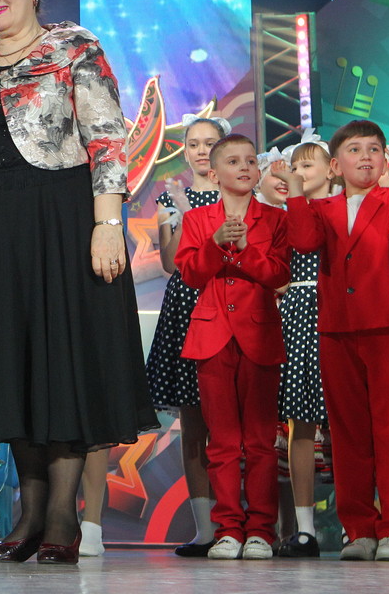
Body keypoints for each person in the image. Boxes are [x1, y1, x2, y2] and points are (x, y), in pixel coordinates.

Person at [0, 0, 156, 566]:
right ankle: (27, 518)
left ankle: (61, 517)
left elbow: (107, 141)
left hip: (62, 220)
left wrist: (107, 224)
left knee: (63, 363)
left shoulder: (74, 48)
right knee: (13, 365)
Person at [273, 121, 389, 562]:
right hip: (336, 329)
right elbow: (303, 242)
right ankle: (360, 530)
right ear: (335, 165)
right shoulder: (323, 208)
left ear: (385, 159)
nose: (366, 156)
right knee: (348, 435)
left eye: (374, 149)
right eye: (355, 149)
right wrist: (296, 191)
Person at [175, 134, 290, 560]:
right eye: (233, 161)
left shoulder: (275, 219)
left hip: (259, 335)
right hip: (212, 337)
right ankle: (228, 529)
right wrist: (216, 242)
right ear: (214, 172)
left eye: (250, 161)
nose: (244, 168)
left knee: (260, 440)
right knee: (221, 442)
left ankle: (260, 529)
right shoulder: (198, 219)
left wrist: (242, 251)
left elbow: (278, 275)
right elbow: (190, 273)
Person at [144, 115, 227, 556]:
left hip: (230, 303)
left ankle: (245, 525)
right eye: (193, 143)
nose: (200, 151)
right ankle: (205, 529)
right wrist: (182, 209)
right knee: (193, 424)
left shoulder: (242, 197)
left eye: (209, 142)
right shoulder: (171, 198)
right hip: (186, 310)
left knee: (235, 424)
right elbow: (172, 262)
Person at [271, 133, 333, 558]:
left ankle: (359, 527)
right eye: (295, 166)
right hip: (296, 316)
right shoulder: (284, 215)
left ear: (331, 169)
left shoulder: (342, 209)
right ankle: (305, 528)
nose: (299, 172)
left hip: (334, 310)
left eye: (308, 164)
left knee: (344, 422)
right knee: (300, 421)